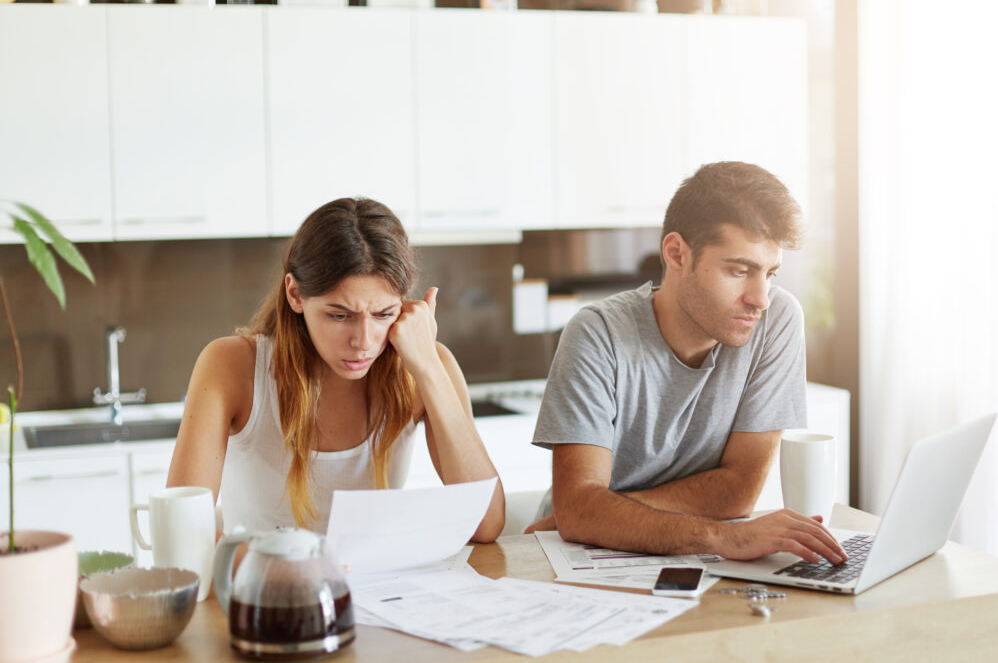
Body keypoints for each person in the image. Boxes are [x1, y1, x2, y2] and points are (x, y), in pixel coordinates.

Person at [525, 161, 847, 565]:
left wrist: (601, 512)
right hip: (581, 555)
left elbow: (739, 492)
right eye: (739, 270)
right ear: (677, 253)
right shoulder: (597, 334)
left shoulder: (777, 319)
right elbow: (579, 515)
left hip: (687, 556)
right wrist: (722, 536)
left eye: (770, 273)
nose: (760, 298)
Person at [167, 198, 505, 543]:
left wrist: (429, 368)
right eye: (340, 315)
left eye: (383, 314)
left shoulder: (428, 367)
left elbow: (486, 525)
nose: (363, 341)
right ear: (295, 294)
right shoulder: (230, 366)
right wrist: (294, 567)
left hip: (378, 594)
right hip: (263, 590)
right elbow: (177, 533)